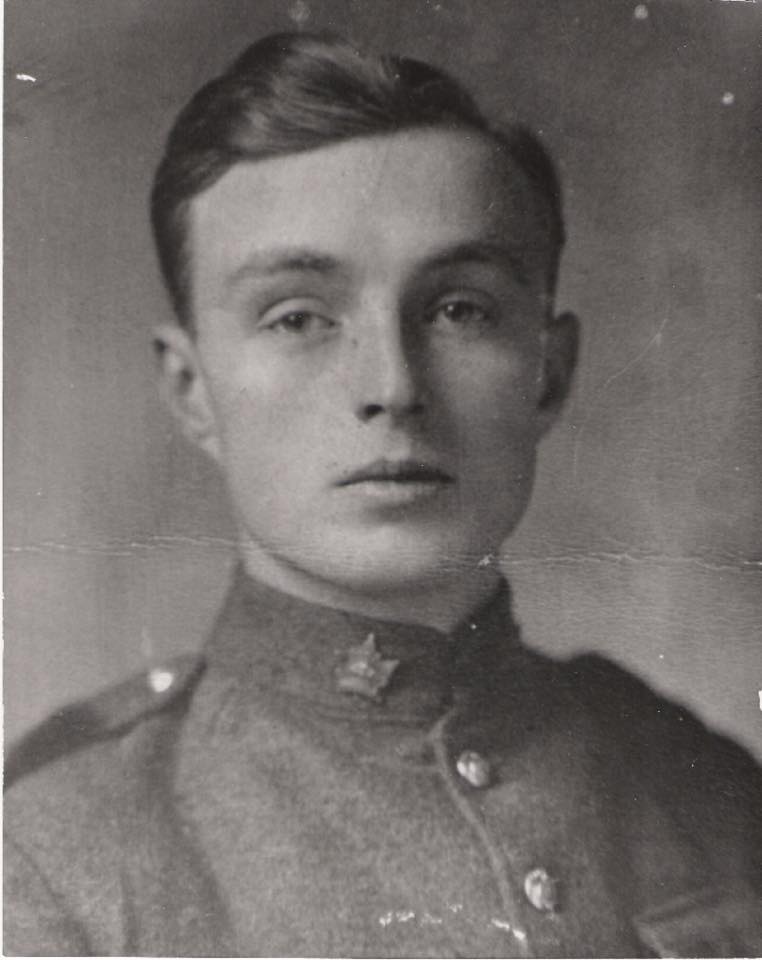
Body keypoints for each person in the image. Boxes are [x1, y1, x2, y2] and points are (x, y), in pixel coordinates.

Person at [4, 30, 760, 958]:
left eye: (460, 309)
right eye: (298, 317)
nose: (393, 386)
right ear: (191, 389)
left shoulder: (699, 784)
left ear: (550, 374)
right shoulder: (53, 859)